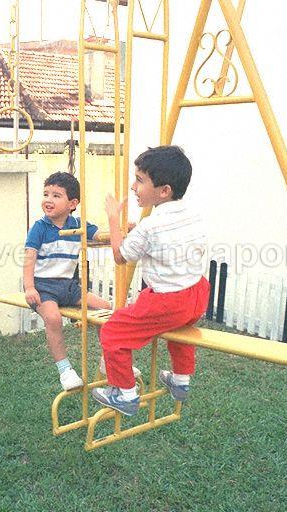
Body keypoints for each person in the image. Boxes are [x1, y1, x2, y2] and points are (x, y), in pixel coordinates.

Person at [92, 145, 209, 416]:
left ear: (164, 190)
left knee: (113, 333)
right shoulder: (192, 213)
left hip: (169, 301)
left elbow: (121, 256)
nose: (134, 186)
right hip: (197, 293)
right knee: (181, 333)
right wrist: (137, 232)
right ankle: (180, 380)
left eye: (140, 180)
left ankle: (125, 394)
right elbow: (166, 240)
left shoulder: (150, 226)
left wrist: (113, 219)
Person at [23, 171, 112, 390]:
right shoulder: (40, 227)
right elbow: (29, 257)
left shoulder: (78, 225)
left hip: (68, 287)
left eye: (56, 195)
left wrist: (121, 228)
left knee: (107, 310)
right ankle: (65, 371)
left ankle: (108, 361)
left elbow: (100, 235)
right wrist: (29, 287)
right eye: (46, 194)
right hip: (43, 288)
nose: (48, 200)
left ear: (72, 203)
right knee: (53, 318)